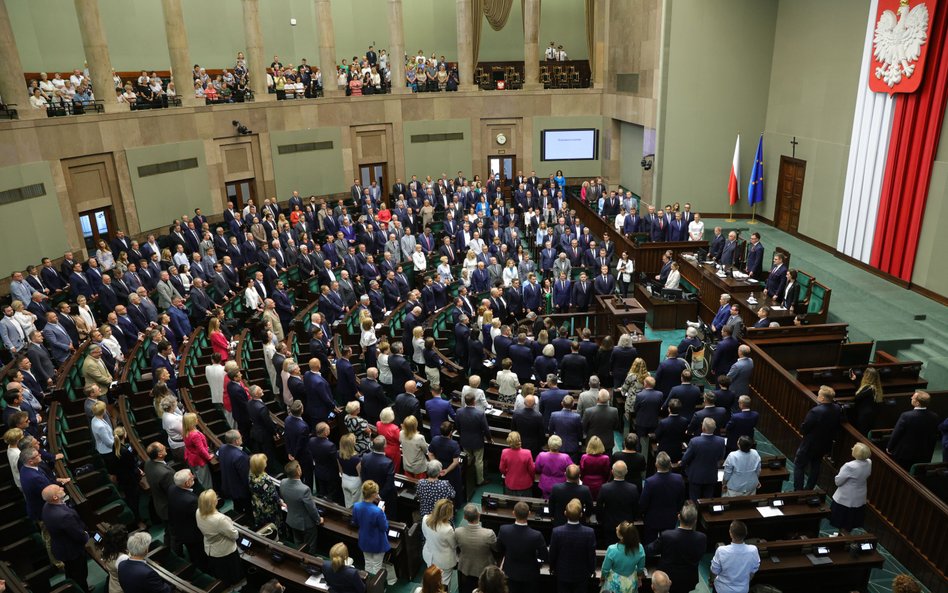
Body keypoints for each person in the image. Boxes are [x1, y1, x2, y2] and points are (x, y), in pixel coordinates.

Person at [646, 503, 706, 593]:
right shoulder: (702, 538)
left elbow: (651, 550)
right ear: (695, 521)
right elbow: (699, 556)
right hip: (688, 578)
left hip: (667, 577)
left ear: (678, 516)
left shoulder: (667, 535)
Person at [41, 484, 90, 592]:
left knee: (70, 571)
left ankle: (74, 589)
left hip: (61, 548)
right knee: (80, 575)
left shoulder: (46, 506)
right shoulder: (64, 516)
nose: (62, 488)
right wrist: (87, 535)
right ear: (55, 497)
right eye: (59, 489)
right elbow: (78, 535)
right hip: (72, 551)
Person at [793, 386, 841, 490]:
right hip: (824, 444)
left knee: (799, 465)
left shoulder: (816, 411)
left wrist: (802, 428)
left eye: (819, 395)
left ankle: (798, 491)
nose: (817, 396)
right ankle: (809, 489)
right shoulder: (837, 408)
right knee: (816, 466)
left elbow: (806, 427)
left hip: (809, 445)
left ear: (823, 398)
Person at [496, 501, 548, 593]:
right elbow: (544, 556)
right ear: (529, 514)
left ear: (513, 513)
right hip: (530, 574)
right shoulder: (536, 535)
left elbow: (499, 549)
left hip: (510, 572)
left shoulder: (504, 530)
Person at [195, 489, 243, 585]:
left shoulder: (198, 511)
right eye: (215, 497)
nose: (217, 498)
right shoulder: (219, 519)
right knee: (232, 575)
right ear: (213, 503)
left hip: (210, 548)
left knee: (220, 574)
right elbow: (234, 535)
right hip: (225, 551)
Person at [549, 499, 597, 593]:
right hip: (581, 574)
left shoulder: (557, 531)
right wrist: (592, 570)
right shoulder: (589, 532)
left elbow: (552, 553)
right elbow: (591, 555)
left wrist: (552, 568)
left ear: (565, 513)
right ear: (581, 515)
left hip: (562, 573)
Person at [352, 481, 395, 585]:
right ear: (374, 495)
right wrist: (382, 512)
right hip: (377, 542)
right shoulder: (378, 511)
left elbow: (356, 522)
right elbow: (384, 527)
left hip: (364, 539)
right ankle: (375, 587)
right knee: (376, 565)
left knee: (368, 563)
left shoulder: (356, 506)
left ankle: (367, 584)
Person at [887, 390, 939, 471]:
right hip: (923, 454)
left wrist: (889, 447)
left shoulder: (906, 416)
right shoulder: (934, 416)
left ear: (918, 403)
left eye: (913, 398)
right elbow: (933, 437)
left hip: (904, 454)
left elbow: (896, 434)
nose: (911, 398)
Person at [640, 452, 686, 544]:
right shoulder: (679, 478)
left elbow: (643, 503)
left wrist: (642, 514)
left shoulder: (650, 482)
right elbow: (681, 499)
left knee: (650, 546)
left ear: (656, 464)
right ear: (670, 465)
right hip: (670, 518)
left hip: (652, 519)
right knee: (667, 545)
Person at [168, 469, 208, 570]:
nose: (194, 477)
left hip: (179, 527)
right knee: (200, 555)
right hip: (193, 533)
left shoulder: (172, 488)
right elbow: (200, 517)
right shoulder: (191, 501)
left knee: (192, 552)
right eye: (191, 477)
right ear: (187, 483)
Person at [281, 460, 323, 552]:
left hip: (292, 520)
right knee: (310, 547)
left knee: (298, 545)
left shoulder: (283, 482)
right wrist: (318, 519)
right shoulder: (304, 489)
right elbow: (311, 509)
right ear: (298, 471)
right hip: (306, 524)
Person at [830, 443, 872, 535]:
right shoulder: (869, 462)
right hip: (859, 497)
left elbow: (838, 481)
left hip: (846, 498)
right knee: (851, 522)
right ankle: (844, 537)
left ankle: (842, 538)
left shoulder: (850, 466)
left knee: (843, 522)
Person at [681, 417, 726, 501]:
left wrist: (683, 465)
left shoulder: (694, 441)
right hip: (711, 475)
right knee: (708, 501)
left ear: (703, 428)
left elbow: (685, 459)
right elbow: (721, 457)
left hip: (695, 476)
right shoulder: (720, 441)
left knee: (694, 501)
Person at [596, 461, 639, 547]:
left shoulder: (605, 488)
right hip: (627, 526)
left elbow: (599, 507)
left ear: (612, 472)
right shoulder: (633, 488)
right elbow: (635, 508)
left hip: (609, 524)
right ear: (626, 472)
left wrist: (600, 519)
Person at [455, 505, 497, 593]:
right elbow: (496, 548)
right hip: (484, 570)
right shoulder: (489, 534)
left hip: (465, 568)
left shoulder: (458, 532)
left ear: (465, 517)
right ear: (479, 515)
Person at [710, 520, 760, 593]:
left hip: (722, 590)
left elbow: (714, 571)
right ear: (745, 534)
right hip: (742, 590)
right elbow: (752, 572)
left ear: (731, 534)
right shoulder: (753, 550)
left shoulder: (721, 551)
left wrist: (712, 580)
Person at [456, 392, 490, 486]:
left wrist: (461, 434)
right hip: (477, 441)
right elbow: (486, 429)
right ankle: (480, 481)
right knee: (479, 461)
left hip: (465, 440)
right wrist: (489, 439)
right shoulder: (480, 413)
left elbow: (457, 426)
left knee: (468, 460)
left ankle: (468, 479)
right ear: (474, 402)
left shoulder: (459, 411)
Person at [422, 499, 458, 589]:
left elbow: (425, 534)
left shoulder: (425, 519)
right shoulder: (447, 529)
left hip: (429, 556)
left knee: (432, 581)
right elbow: (454, 545)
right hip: (444, 562)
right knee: (443, 585)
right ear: (448, 513)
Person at [601, 521, 645, 593]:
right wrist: (639, 576)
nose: (616, 528)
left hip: (614, 582)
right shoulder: (640, 548)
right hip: (631, 582)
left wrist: (602, 578)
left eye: (617, 529)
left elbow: (605, 569)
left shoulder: (612, 549)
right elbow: (641, 568)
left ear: (621, 536)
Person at [218, 430, 251, 513]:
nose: (242, 438)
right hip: (240, 490)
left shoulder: (222, 448)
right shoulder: (240, 456)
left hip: (228, 486)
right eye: (240, 437)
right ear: (236, 441)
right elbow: (245, 476)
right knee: (246, 509)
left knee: (237, 507)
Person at [249, 453, 282, 530]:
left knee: (263, 523)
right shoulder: (264, 479)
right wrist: (281, 502)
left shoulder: (251, 473)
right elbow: (272, 495)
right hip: (269, 507)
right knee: (273, 525)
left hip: (257, 504)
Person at [182, 412, 213, 489]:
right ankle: (209, 497)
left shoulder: (186, 431)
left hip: (191, 458)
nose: (197, 419)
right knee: (205, 481)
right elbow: (201, 450)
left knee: (200, 478)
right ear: (192, 421)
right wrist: (209, 457)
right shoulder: (195, 435)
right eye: (195, 418)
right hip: (198, 460)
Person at [499, 431, 535, 496]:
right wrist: (532, 479)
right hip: (525, 485)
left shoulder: (504, 452)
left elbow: (501, 469)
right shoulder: (527, 453)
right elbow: (532, 470)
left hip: (510, 484)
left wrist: (507, 474)